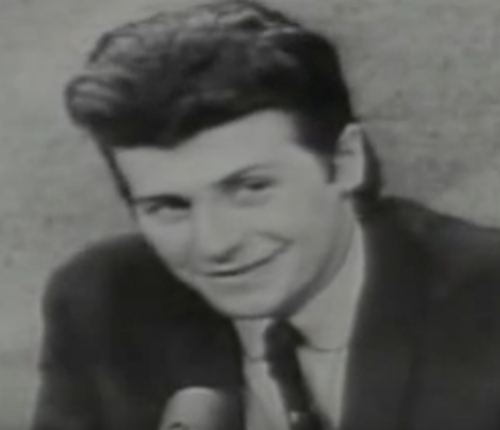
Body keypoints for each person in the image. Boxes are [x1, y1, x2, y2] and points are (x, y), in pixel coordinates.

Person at [31, 1, 500, 430]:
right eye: (169, 207)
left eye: (251, 189)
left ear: (346, 162)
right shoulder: (103, 301)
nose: (215, 244)